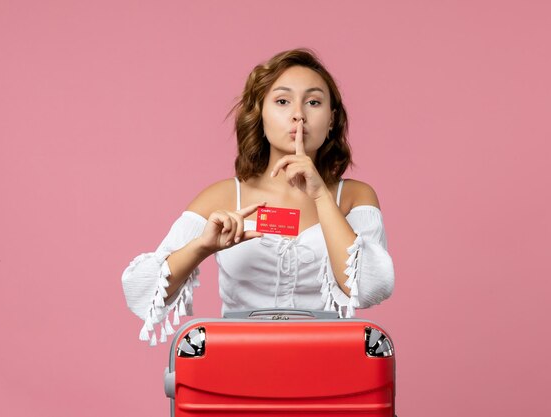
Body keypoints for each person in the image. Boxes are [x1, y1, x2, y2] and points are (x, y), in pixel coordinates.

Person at [121, 48, 395, 346]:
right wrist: (202, 247)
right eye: (281, 101)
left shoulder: (355, 196)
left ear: (331, 121)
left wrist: (321, 196)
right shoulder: (222, 196)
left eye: (314, 102)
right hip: (237, 363)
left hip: (328, 363)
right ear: (259, 116)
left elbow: (369, 288)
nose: (298, 114)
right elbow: (141, 290)